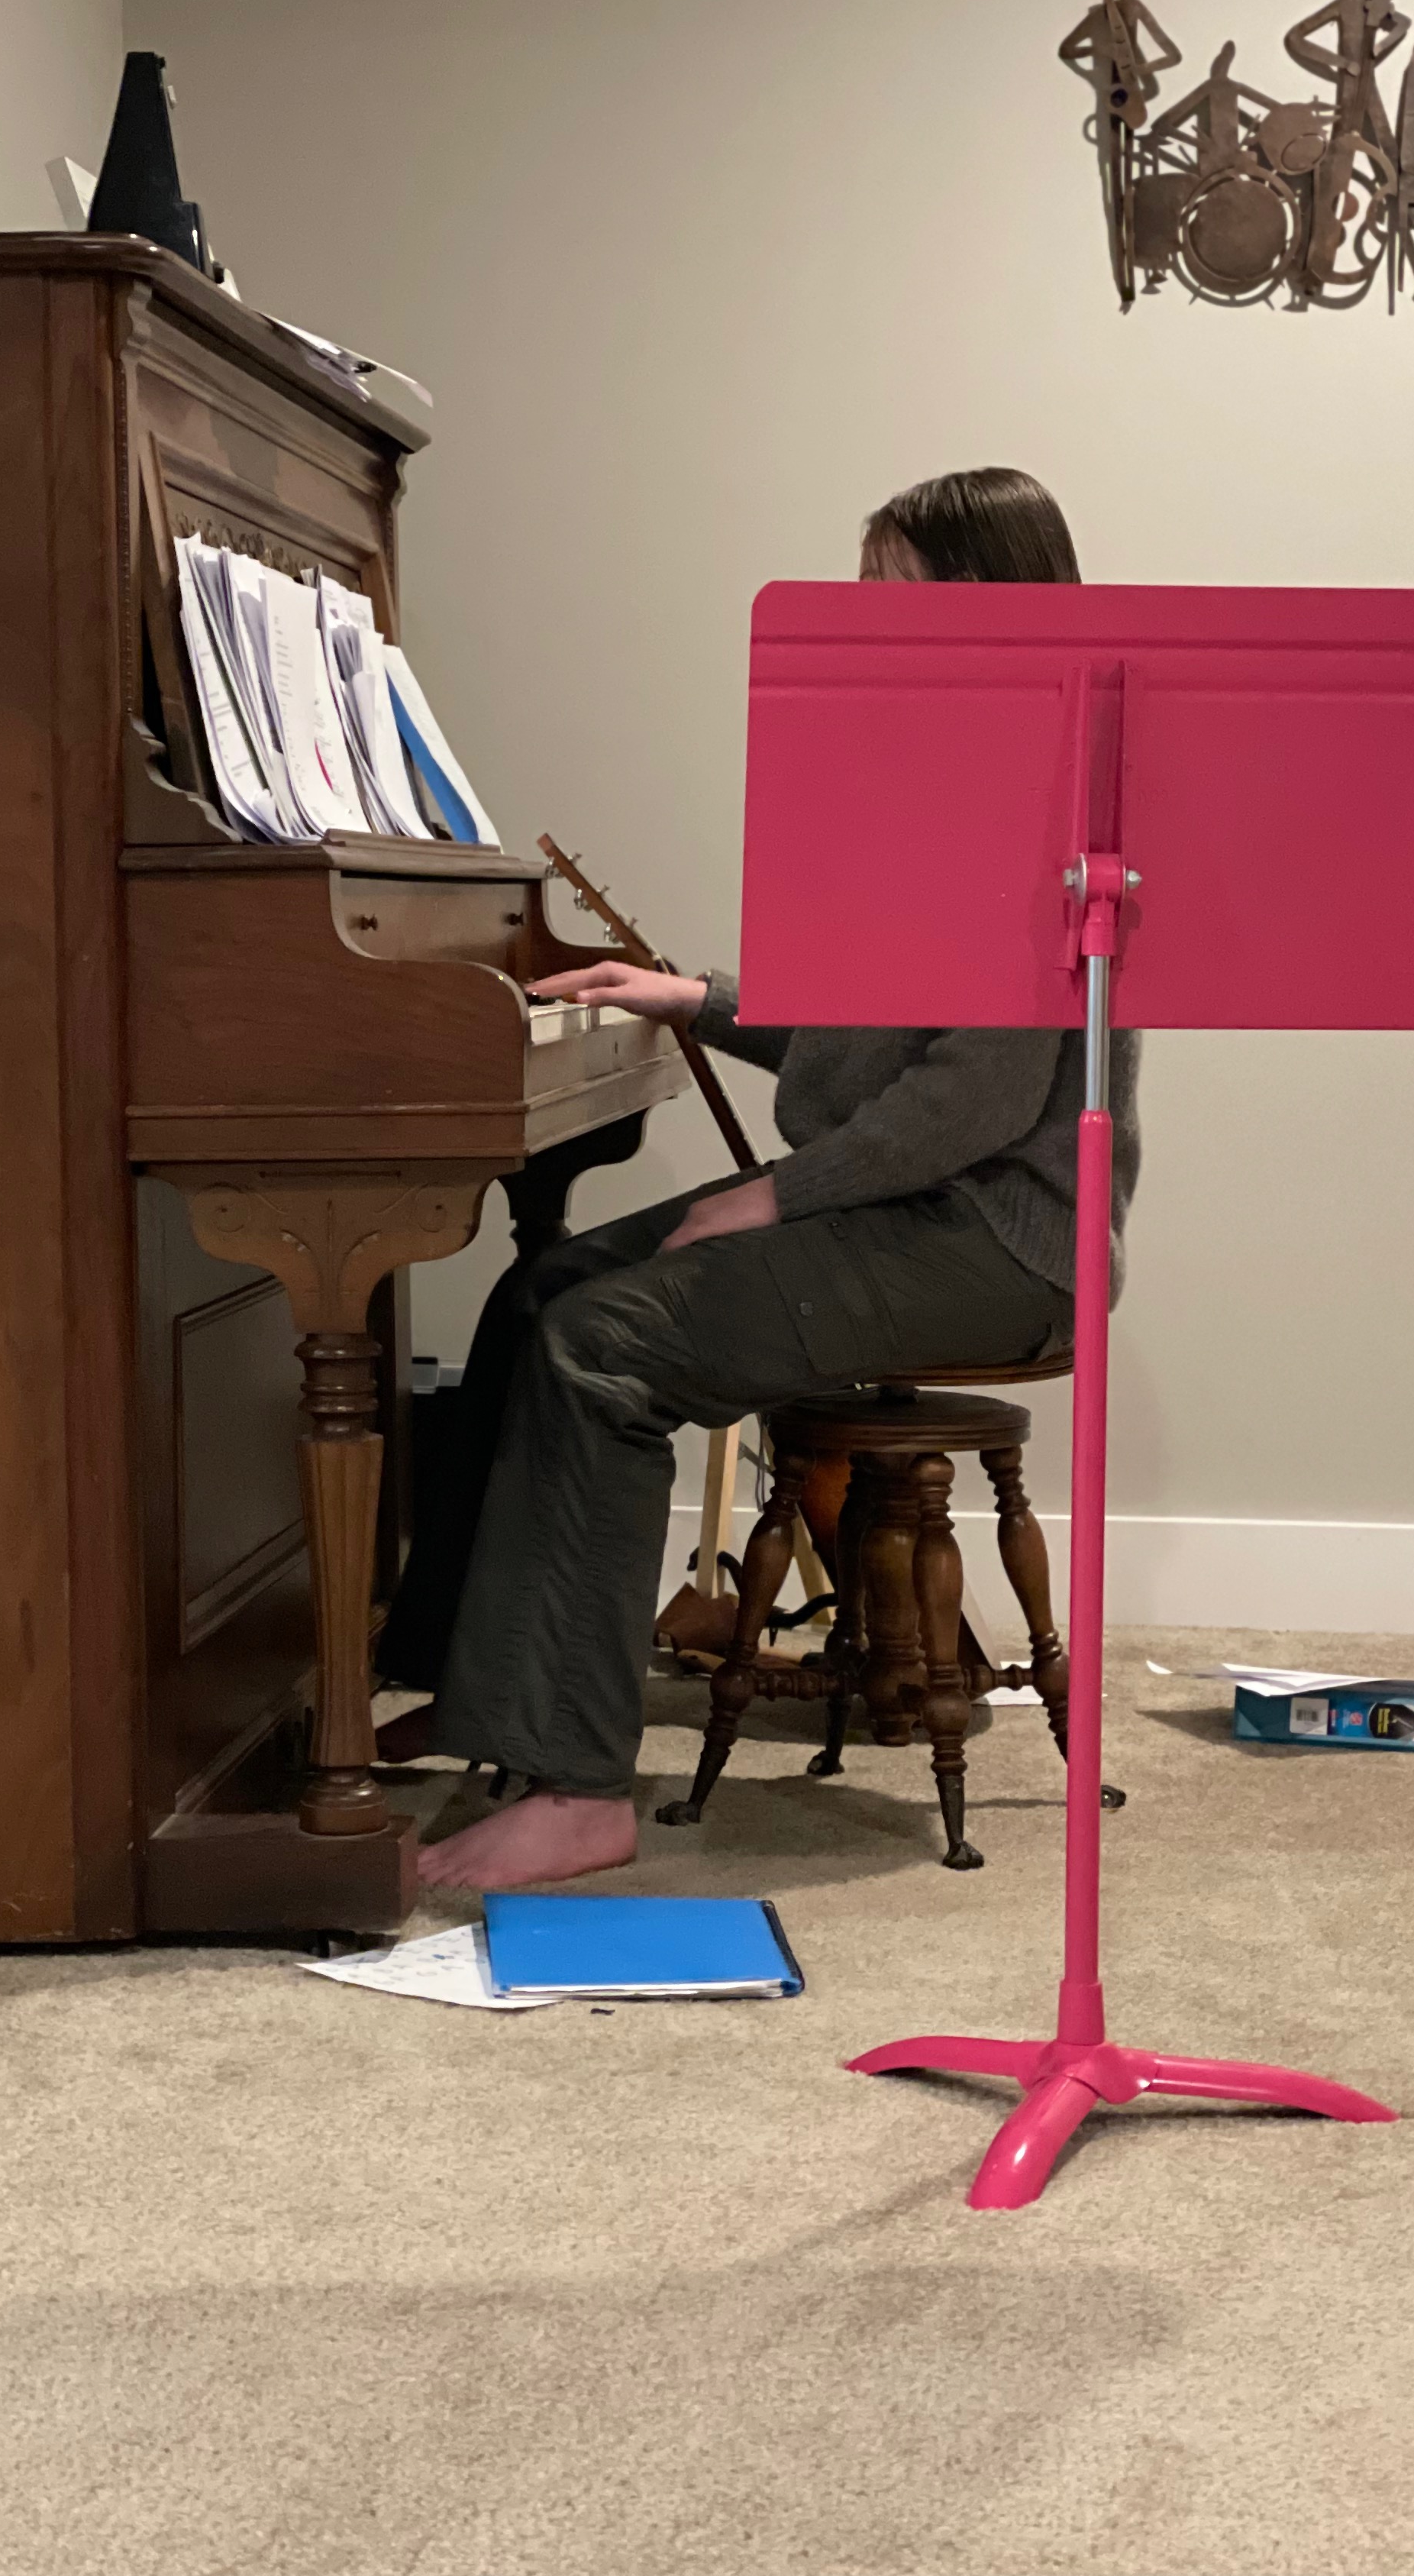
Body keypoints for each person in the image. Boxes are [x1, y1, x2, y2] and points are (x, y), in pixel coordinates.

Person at [410, 467, 1141, 1892]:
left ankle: (577, 1790)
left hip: (997, 1240)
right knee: (545, 1288)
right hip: (919, 1205)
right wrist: (695, 998)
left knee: (602, 1346)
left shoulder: (1039, 799)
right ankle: (487, 1698)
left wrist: (775, 1196)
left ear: (990, 609)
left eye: (890, 597)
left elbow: (977, 1098)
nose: (858, 621)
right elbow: (873, 1032)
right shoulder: (933, 782)